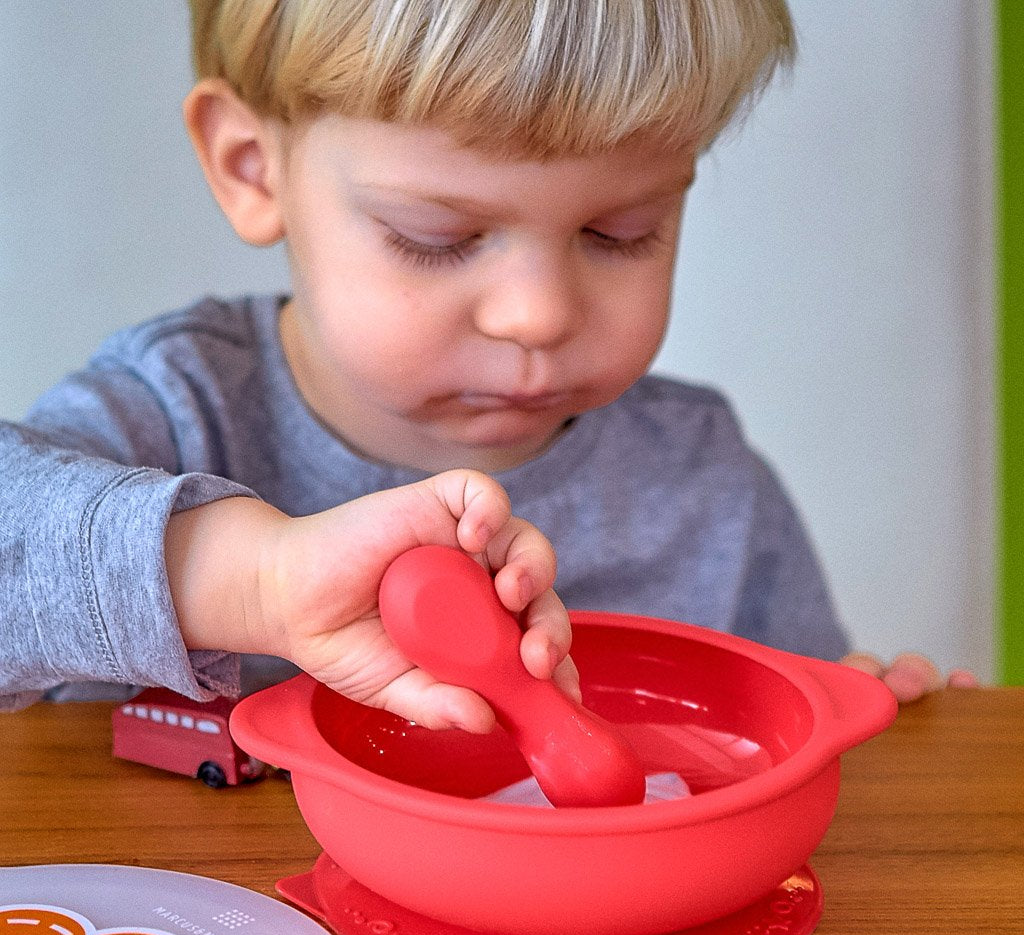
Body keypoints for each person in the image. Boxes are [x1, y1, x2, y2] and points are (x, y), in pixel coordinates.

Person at [0, 0, 978, 724]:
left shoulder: (703, 484)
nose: (538, 315)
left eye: (620, 231)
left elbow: (783, 725)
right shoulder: (176, 413)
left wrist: (860, 711)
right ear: (254, 167)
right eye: (437, 236)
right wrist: (253, 578)